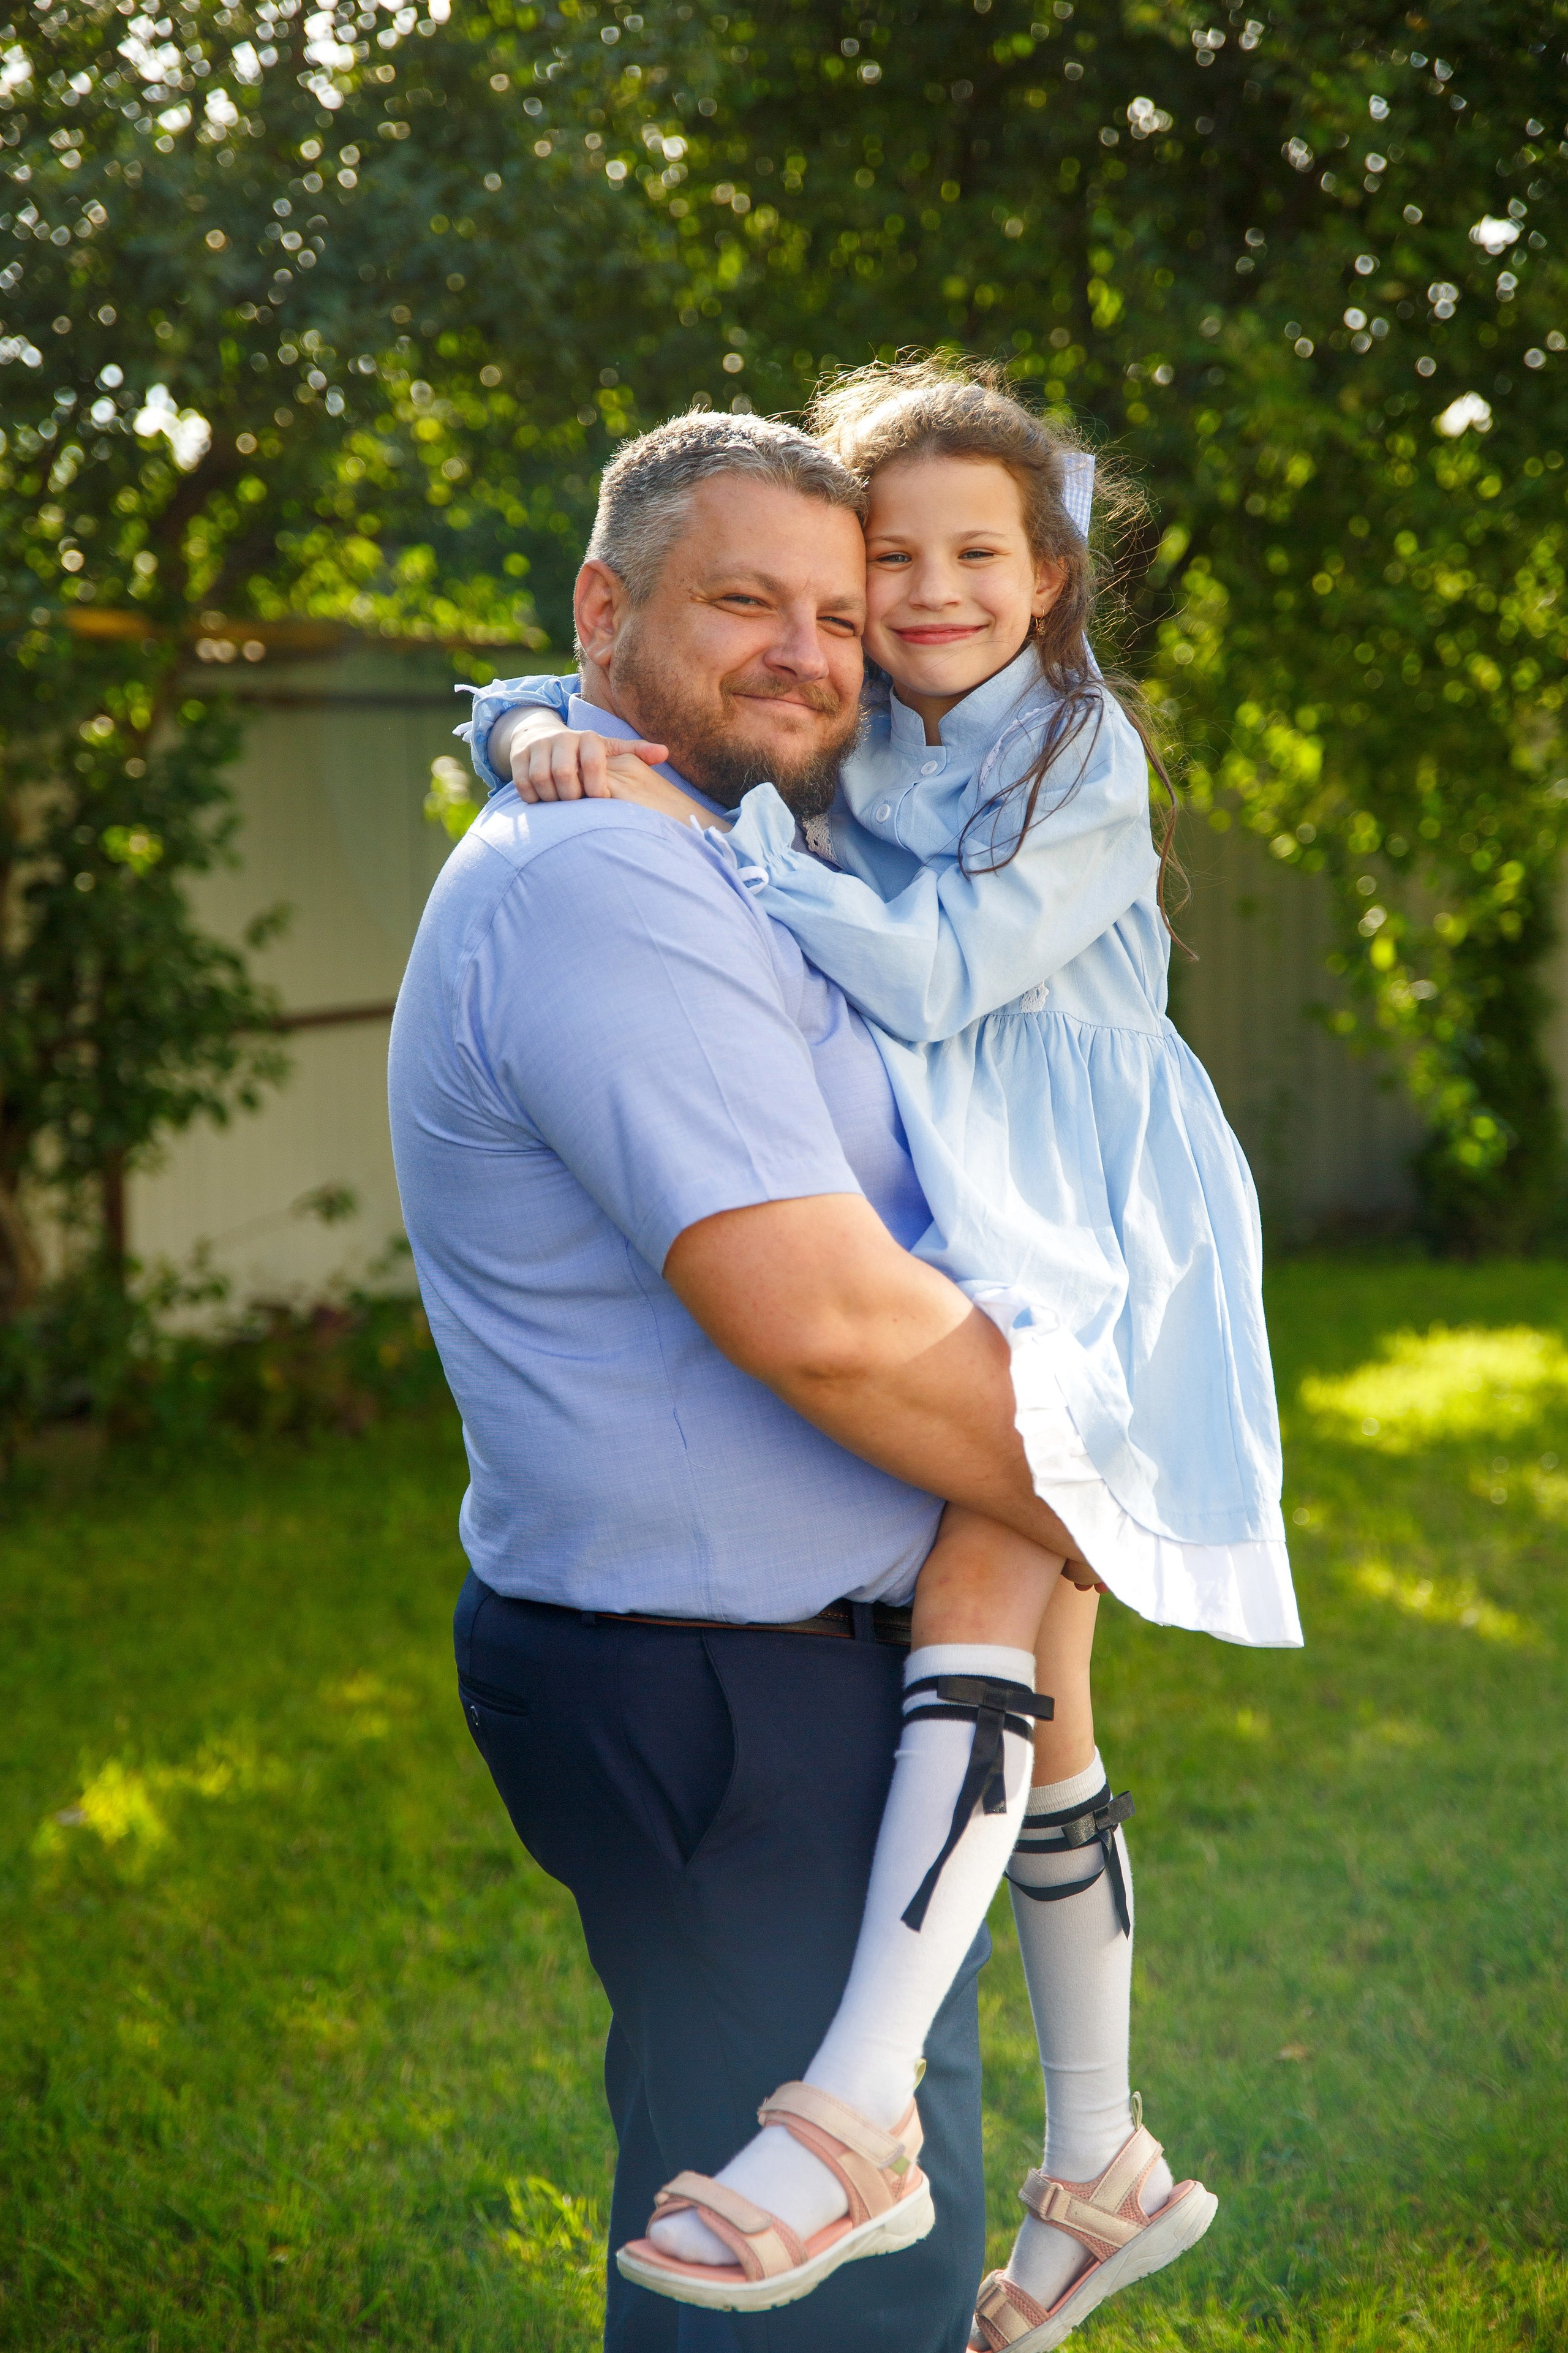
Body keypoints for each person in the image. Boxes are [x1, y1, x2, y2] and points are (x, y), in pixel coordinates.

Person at [476, 360, 1301, 2351]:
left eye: (961, 561)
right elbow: (625, 706)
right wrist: (527, 729)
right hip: (985, 1216)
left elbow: (933, 971)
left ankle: (857, 2111)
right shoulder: (854, 745)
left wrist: (710, 829)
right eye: (874, 569)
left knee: (987, 1594)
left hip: (1095, 1225)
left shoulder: (1073, 755)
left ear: (1055, 574)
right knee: (1053, 1692)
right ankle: (1099, 2155)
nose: (898, 610)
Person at [391, 405, 1110, 2353]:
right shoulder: (602, 879)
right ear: (607, 608)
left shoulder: (730, 829)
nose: (812, 647)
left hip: (771, 1671)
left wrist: (522, 716)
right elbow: (829, 1325)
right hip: (731, 1693)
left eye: (838, 608)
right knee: (819, 2292)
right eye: (746, 602)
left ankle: (1098, 2156)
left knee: (776, 2216)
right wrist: (1110, 1479)